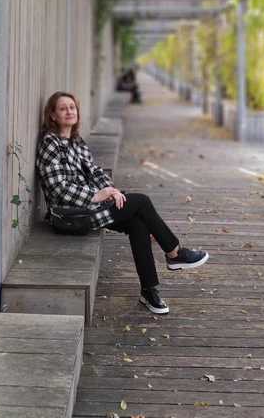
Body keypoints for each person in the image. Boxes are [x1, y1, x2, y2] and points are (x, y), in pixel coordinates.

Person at [36, 91, 208, 314]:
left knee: (138, 223)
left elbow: (95, 171)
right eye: (62, 108)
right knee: (142, 202)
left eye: (72, 107)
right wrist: (96, 196)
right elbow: (57, 186)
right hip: (71, 215)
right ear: (52, 115)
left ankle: (149, 290)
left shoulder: (76, 141)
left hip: (90, 208)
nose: (69, 111)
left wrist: (112, 191)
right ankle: (175, 253)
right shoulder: (50, 143)